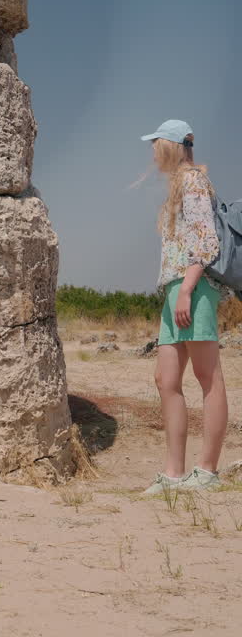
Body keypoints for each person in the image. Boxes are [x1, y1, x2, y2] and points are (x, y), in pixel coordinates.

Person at [140, 119, 228, 495]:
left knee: (208, 378)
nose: (152, 152)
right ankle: (174, 474)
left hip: (194, 288)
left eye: (156, 144)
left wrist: (188, 289)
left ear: (171, 147)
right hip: (178, 289)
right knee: (166, 379)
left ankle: (206, 470)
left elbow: (207, 244)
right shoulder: (181, 185)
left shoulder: (192, 182)